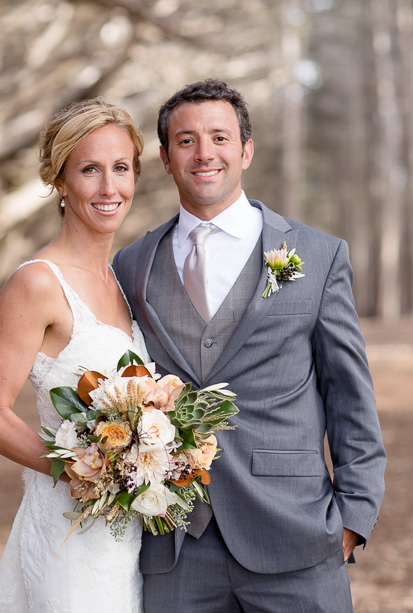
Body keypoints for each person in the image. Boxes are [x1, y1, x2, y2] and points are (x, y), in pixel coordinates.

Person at [112, 79, 386, 612]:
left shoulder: (317, 254)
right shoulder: (132, 266)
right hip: (174, 541)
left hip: (296, 534)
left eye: (219, 136)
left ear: (246, 150)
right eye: (186, 141)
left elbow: (349, 394)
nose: (204, 153)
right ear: (166, 159)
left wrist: (354, 518)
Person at [0, 98, 147, 613]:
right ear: (60, 181)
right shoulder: (37, 283)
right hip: (69, 529)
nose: (109, 188)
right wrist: (78, 469)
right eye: (90, 170)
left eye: (121, 168)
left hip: (127, 534)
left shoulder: (125, 282)